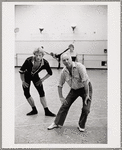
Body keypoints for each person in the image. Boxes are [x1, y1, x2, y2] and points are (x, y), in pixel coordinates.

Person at [47, 54, 92, 132]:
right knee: (65, 105)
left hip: (85, 88)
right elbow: (60, 85)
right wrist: (61, 97)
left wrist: (87, 95)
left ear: (71, 59)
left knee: (86, 109)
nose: (66, 61)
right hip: (74, 89)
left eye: (67, 59)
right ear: (62, 62)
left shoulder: (79, 67)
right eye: (64, 60)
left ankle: (81, 124)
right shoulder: (64, 72)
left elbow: (85, 81)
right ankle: (56, 123)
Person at [19, 47, 56, 117]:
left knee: (41, 92)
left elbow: (50, 73)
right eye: (36, 55)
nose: (38, 57)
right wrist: (23, 81)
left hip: (35, 77)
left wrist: (42, 79)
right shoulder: (28, 60)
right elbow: (21, 71)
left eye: (40, 55)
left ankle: (46, 111)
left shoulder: (45, 63)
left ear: (42, 56)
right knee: (26, 93)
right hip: (26, 77)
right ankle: (34, 109)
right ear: (34, 55)